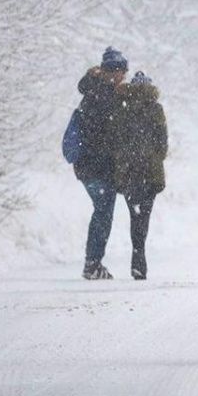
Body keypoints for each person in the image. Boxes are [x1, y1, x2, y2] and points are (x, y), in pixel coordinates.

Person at [74, 47, 128, 280]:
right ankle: (92, 263)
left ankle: (93, 262)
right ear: (111, 72)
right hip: (98, 166)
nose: (122, 77)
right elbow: (108, 136)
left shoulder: (91, 92)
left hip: (87, 165)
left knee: (102, 211)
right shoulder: (104, 95)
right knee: (103, 212)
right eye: (120, 73)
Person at [112, 71, 169, 280]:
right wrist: (154, 157)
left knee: (134, 215)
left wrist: (124, 160)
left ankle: (138, 255)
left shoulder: (122, 108)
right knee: (144, 215)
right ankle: (139, 255)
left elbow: (116, 140)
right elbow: (163, 143)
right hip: (150, 172)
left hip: (128, 172)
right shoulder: (156, 109)